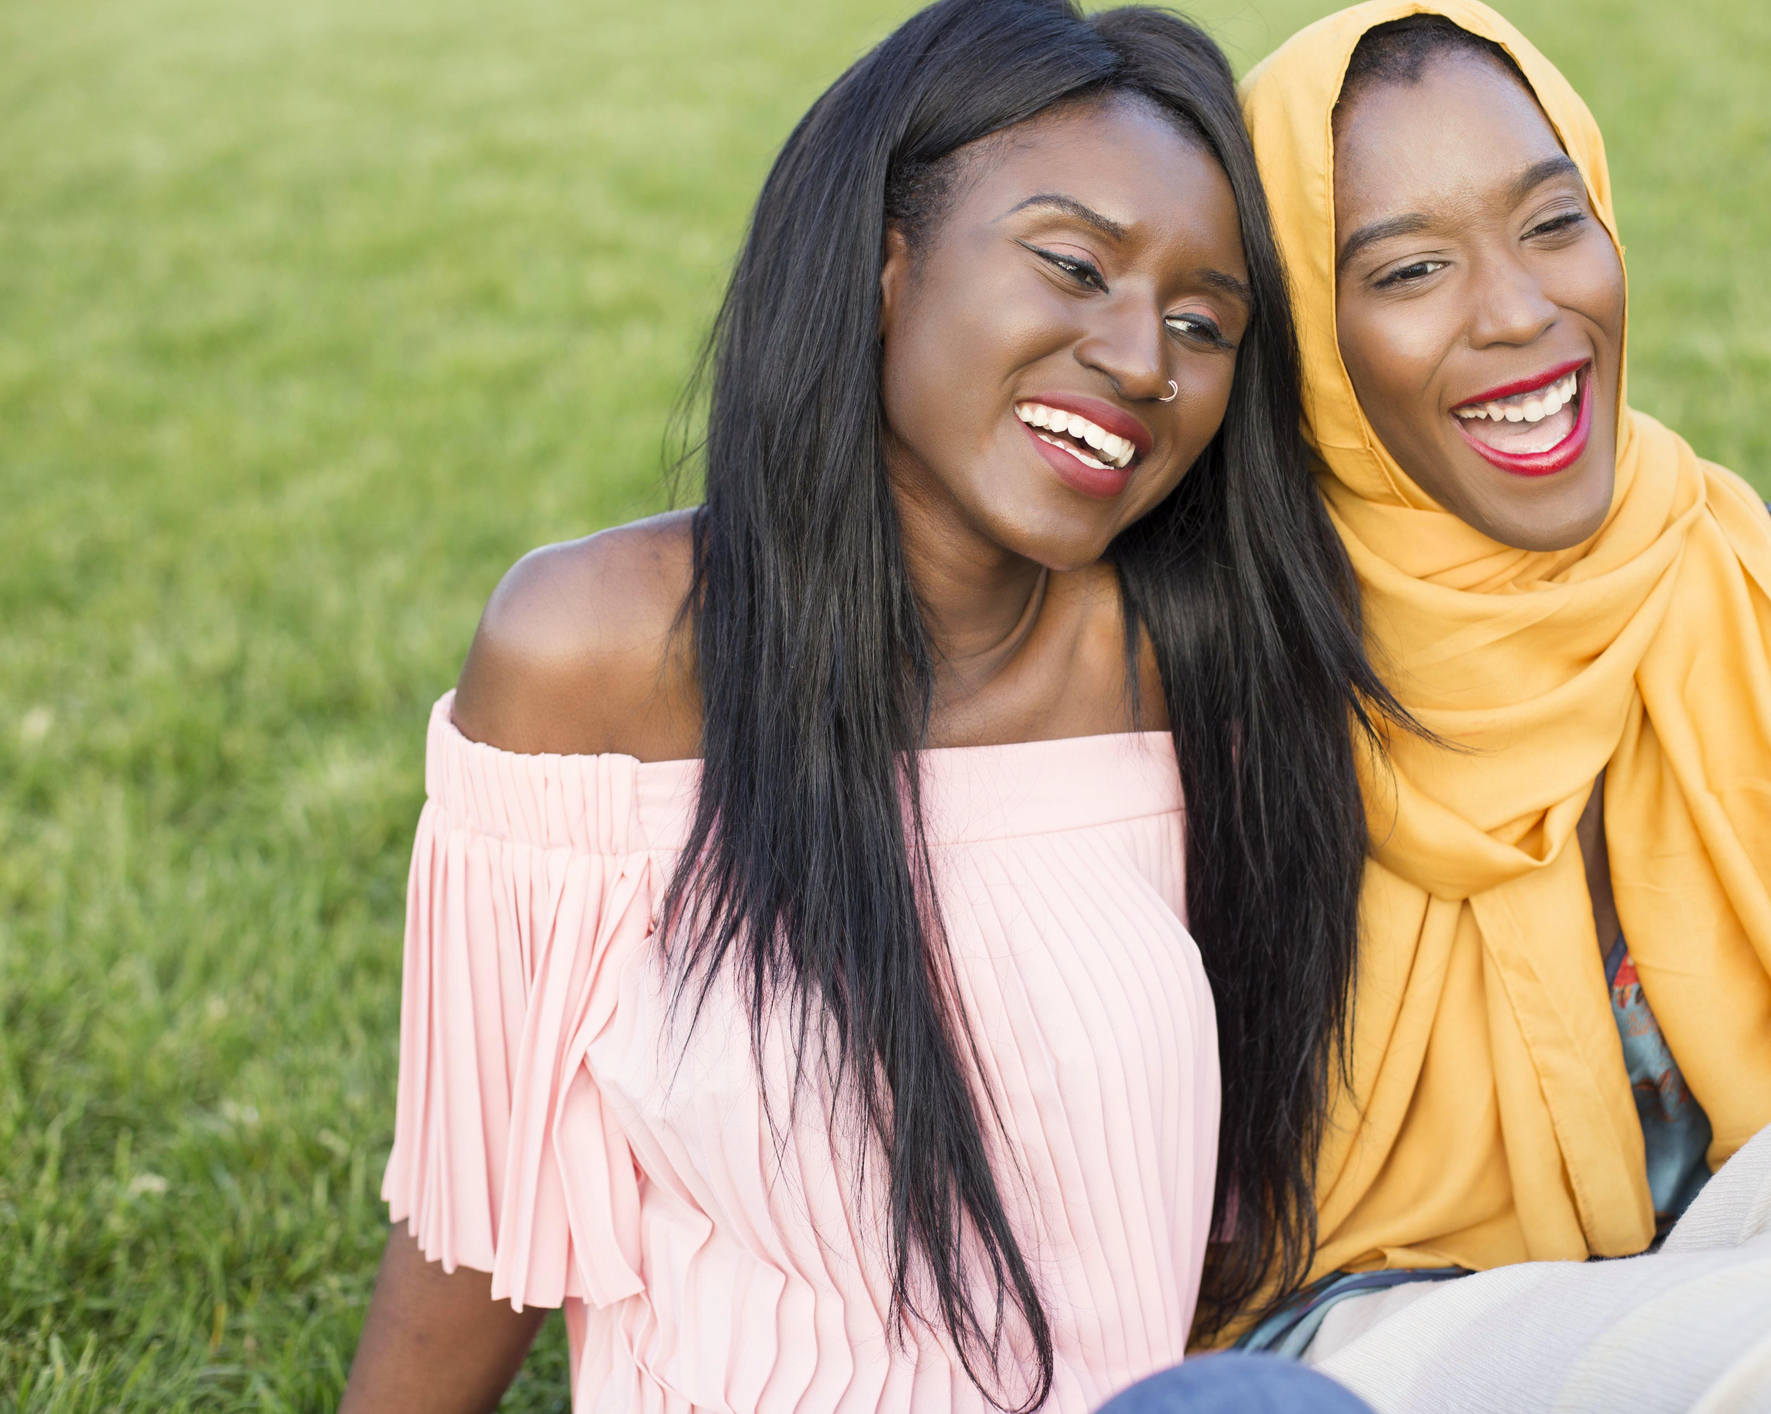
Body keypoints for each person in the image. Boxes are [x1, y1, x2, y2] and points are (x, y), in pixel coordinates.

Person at [336, 1, 1403, 1409]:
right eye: (1074, 263)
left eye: (1202, 322)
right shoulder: (595, 654)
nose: (1144, 358)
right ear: (884, 260)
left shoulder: (1183, 662)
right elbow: (480, 1208)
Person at [1105, 2, 1771, 1410]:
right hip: (1385, 1327)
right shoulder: (1196, 684)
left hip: (1759, 1239)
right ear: (1303, 343)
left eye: (1550, 221)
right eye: (1408, 269)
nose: (1521, 310)